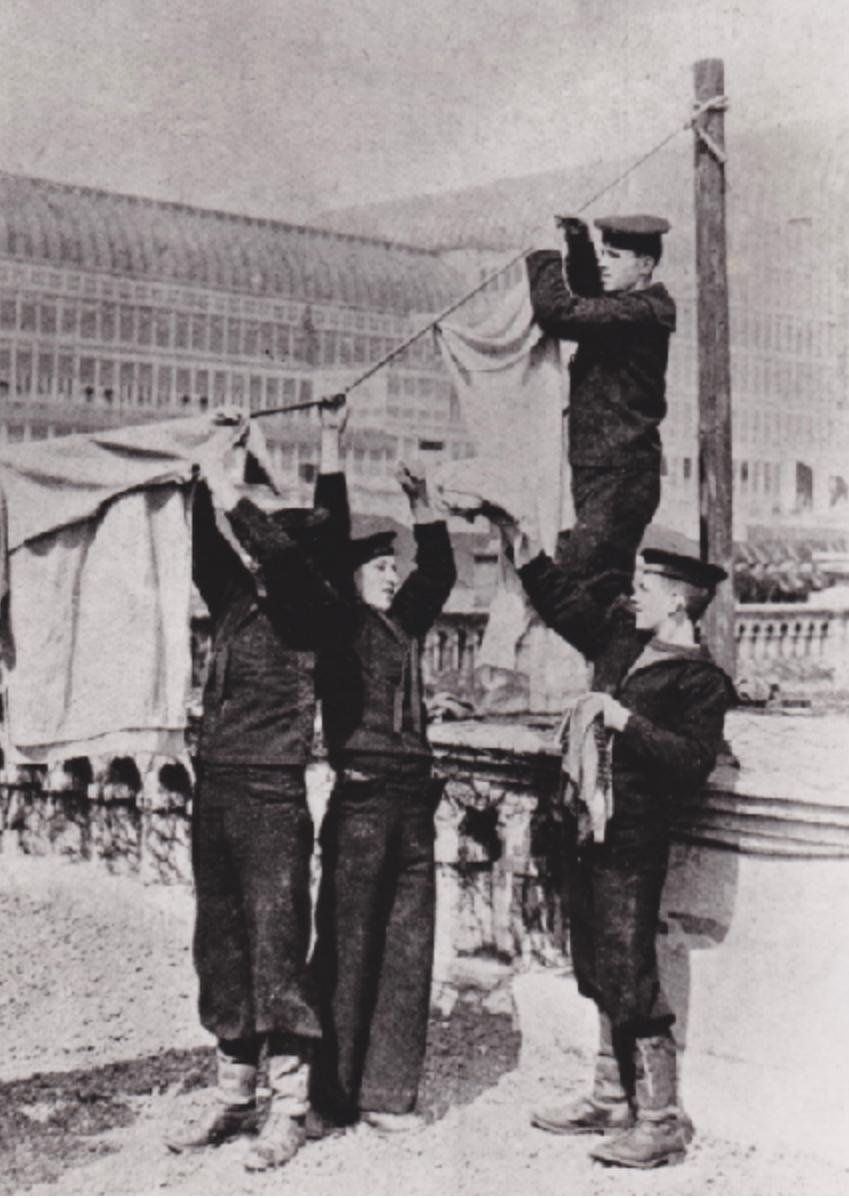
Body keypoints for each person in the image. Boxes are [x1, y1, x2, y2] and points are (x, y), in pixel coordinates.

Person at [493, 509, 734, 1169]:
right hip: (588, 834)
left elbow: (690, 762)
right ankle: (608, 1094)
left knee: (629, 972)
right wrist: (514, 534)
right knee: (597, 965)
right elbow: (558, 599)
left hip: (633, 843)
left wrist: (621, 719)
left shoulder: (699, 681)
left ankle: (659, 1120)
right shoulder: (622, 643)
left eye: (648, 589)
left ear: (680, 603)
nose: (634, 597)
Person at [167, 402, 351, 1172]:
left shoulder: (313, 606)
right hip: (216, 791)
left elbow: (272, 542)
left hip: (273, 795)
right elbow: (212, 542)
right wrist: (215, 450)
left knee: (277, 947)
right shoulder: (242, 604)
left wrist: (237, 476)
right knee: (222, 945)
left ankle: (290, 1107)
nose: (272, 550)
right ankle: (235, 1093)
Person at [310, 461, 457, 1135]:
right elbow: (325, 535)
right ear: (347, 579)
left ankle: (386, 1095)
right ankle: (327, 1096)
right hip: (363, 802)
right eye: (376, 569)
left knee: (406, 948)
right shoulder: (337, 626)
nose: (391, 577)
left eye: (390, 569)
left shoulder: (399, 626)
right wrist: (331, 451)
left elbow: (439, 575)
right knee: (346, 946)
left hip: (412, 805)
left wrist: (425, 506)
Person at [526, 214, 675, 605]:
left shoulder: (641, 313)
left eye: (614, 255)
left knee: (580, 590)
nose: (604, 262)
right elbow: (591, 296)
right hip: (606, 471)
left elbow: (559, 312)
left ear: (644, 265)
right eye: (603, 254)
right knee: (598, 589)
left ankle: (613, 663)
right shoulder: (631, 309)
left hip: (620, 476)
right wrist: (578, 242)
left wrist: (543, 252)